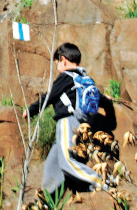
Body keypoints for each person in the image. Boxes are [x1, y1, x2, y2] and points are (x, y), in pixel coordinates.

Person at [23, 43, 115, 194]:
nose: (58, 65)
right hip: (83, 125)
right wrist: (108, 103)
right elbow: (101, 98)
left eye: (58, 62)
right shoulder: (85, 78)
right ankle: (48, 197)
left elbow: (49, 97)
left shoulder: (65, 76)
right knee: (53, 161)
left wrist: (31, 110)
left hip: (67, 121)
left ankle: (102, 181)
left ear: (63, 60)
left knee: (67, 161)